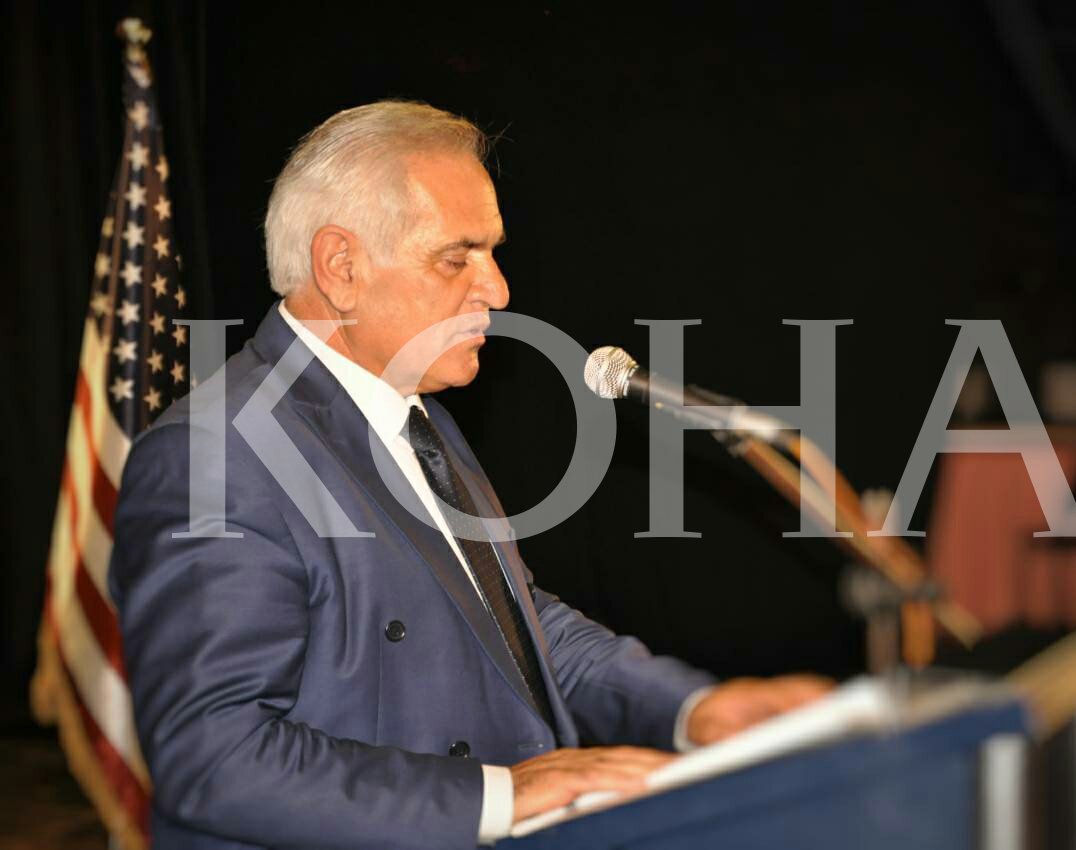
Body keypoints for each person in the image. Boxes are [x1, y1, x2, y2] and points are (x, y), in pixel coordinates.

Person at [109, 100, 833, 850]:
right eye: (457, 258)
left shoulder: (415, 413)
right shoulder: (214, 453)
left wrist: (688, 710)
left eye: (492, 254)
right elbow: (214, 759)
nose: (499, 290)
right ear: (342, 267)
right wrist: (499, 796)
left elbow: (508, 626)